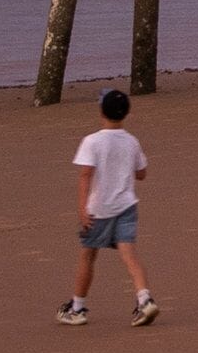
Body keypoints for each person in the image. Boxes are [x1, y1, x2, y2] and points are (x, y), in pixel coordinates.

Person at [59, 87, 159, 327]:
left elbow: (85, 175)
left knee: (88, 256)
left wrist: (82, 209)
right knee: (129, 255)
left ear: (101, 111)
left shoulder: (92, 141)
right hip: (126, 206)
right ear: (125, 113)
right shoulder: (131, 141)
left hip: (99, 209)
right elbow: (142, 173)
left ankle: (77, 307)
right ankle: (144, 299)